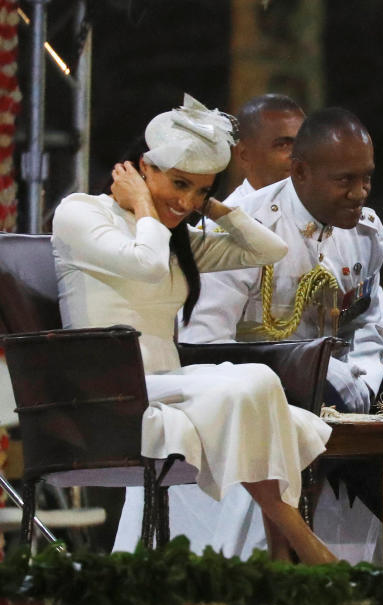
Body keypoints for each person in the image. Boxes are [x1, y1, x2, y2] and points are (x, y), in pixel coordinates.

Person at [156, 107, 383, 567]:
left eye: (366, 179)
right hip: (261, 381)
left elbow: (370, 320)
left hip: (341, 381)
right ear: (299, 171)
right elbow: (203, 342)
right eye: (344, 180)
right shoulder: (242, 227)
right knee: (326, 389)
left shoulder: (366, 231)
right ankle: (300, 561)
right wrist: (319, 367)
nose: (359, 194)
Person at [52, 94, 336, 565]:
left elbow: (269, 250)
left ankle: (286, 546)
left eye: (199, 191)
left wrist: (217, 209)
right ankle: (294, 539)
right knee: (250, 386)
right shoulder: (80, 214)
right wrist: (145, 204)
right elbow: (143, 266)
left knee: (258, 383)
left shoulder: (170, 235)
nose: (186, 202)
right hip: (111, 389)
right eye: (179, 184)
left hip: (168, 382)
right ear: (144, 167)